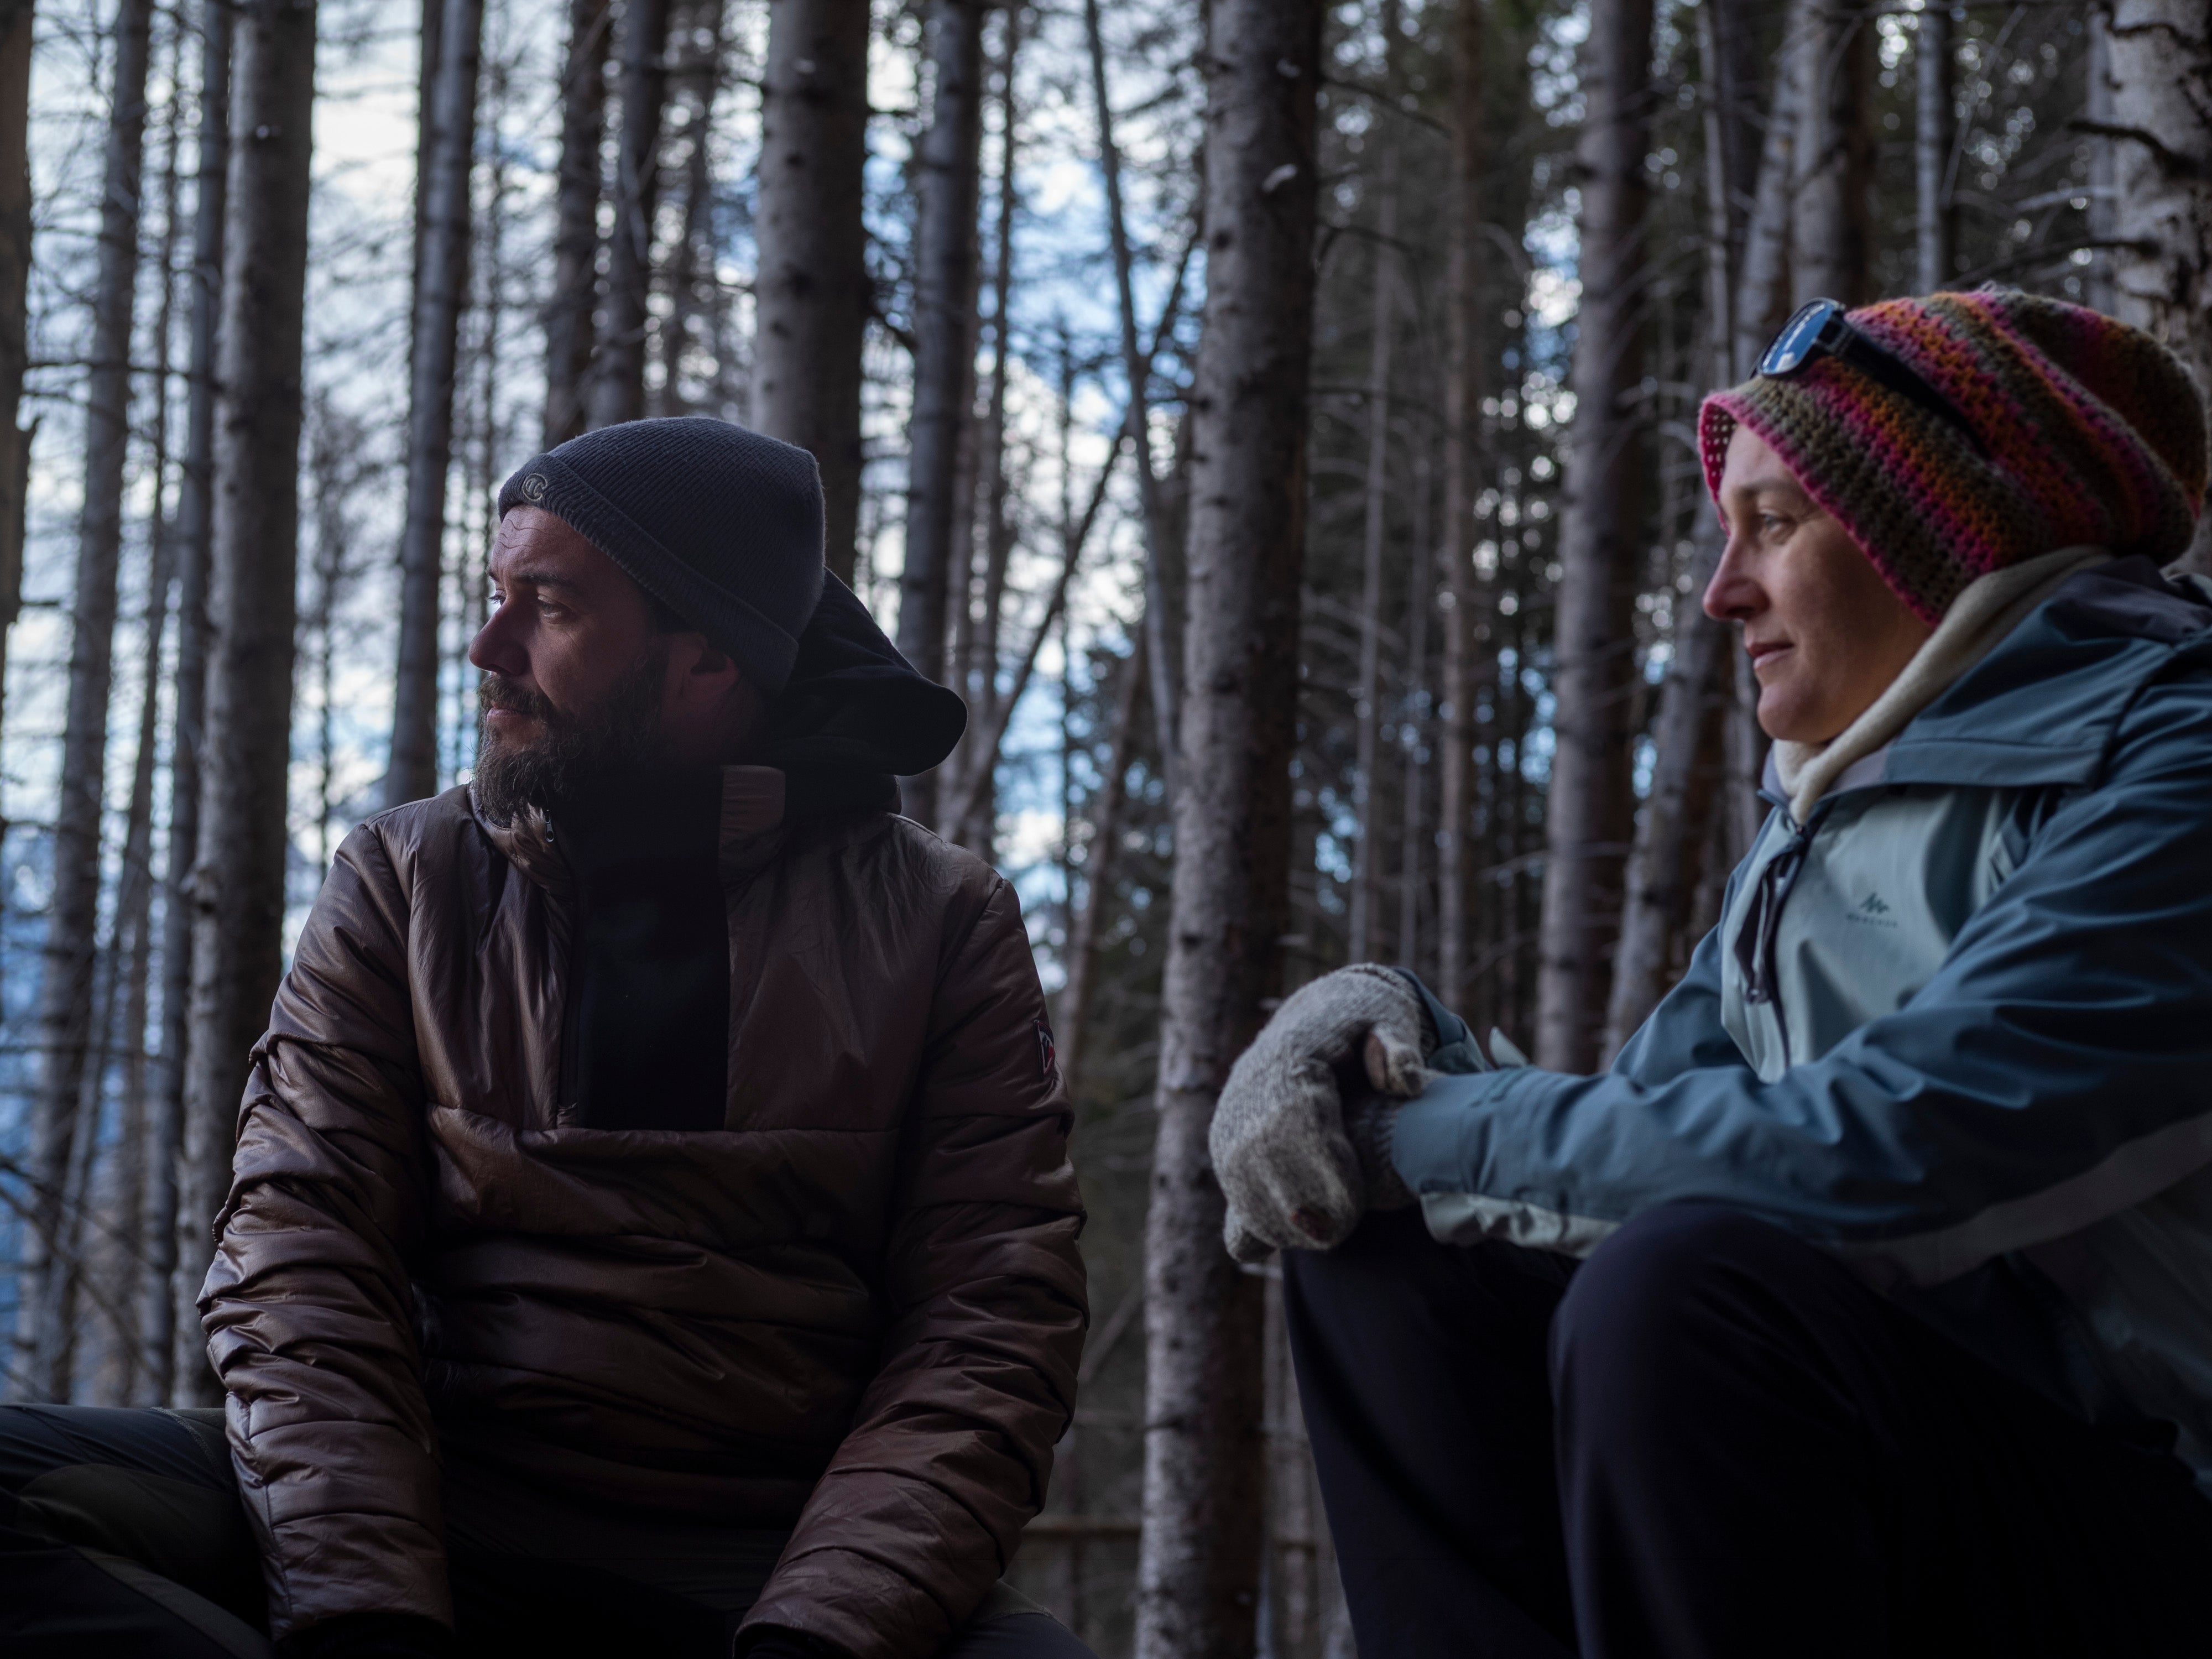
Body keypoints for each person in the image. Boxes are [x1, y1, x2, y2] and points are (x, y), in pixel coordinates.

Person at [1208, 290, 2212, 1658]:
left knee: (1684, 1290)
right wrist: (1383, 1052)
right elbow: (1629, 1149)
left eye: (1774, 523)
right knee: (1391, 1250)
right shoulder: (1822, 820)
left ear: (1938, 530)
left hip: (2159, 1518)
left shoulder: (2176, 758)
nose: (1716, 589)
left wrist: (1425, 1136)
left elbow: (1888, 1153)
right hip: (1961, 1467)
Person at [0, 419, 1093, 1659]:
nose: (488, 648)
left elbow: (992, 1324)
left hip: (773, 1556)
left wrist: (817, 1636)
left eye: (550, 608)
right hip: (434, 1501)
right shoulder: (409, 879)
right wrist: (371, 1615)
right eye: (491, 594)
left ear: (707, 663)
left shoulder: (942, 920)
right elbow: (299, 1249)